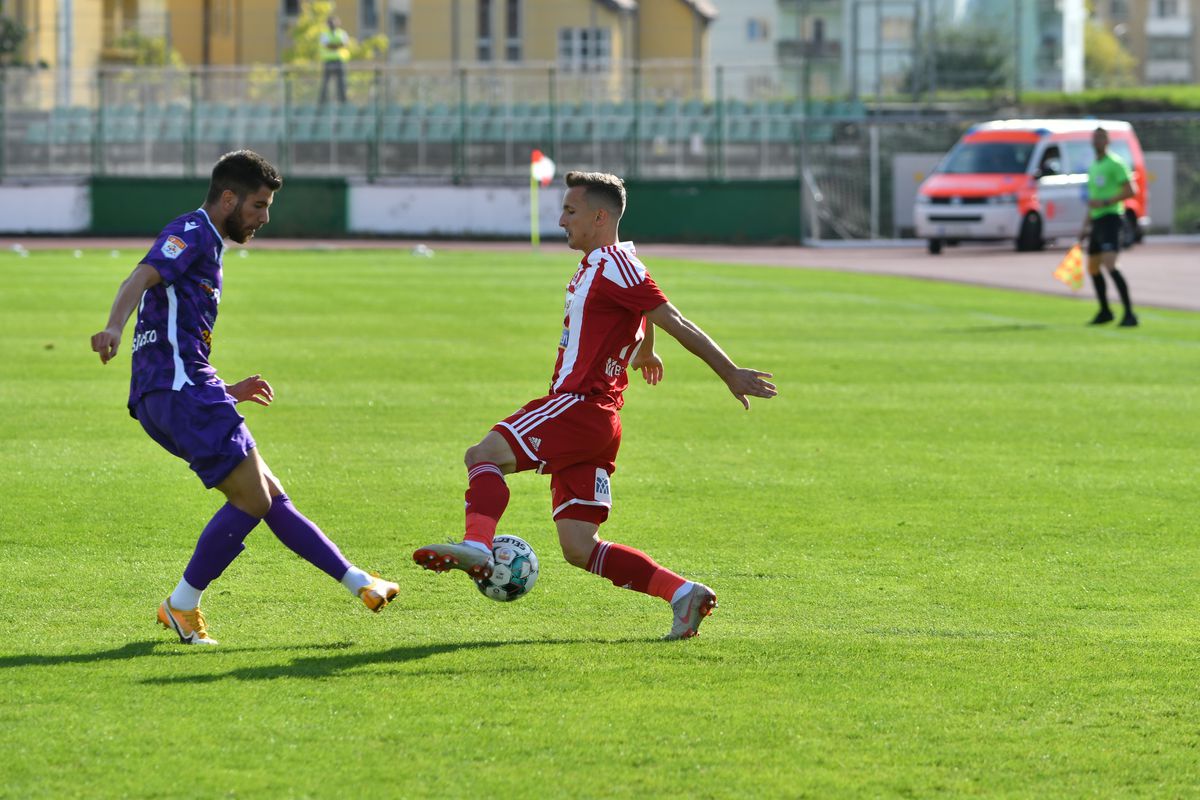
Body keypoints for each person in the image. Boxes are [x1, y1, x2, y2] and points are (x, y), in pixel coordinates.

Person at [412, 171, 777, 640]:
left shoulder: (613, 264)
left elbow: (672, 316)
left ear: (599, 217)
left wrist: (729, 372)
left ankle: (478, 546)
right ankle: (683, 594)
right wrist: (643, 348)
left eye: (570, 211)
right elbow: (637, 313)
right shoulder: (605, 264)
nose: (561, 221)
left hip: (577, 406)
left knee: (482, 456)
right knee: (579, 547)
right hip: (597, 422)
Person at [90, 150, 398, 646]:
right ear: (228, 198)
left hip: (180, 390)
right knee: (252, 498)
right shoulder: (191, 232)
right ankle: (181, 605)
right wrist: (112, 326)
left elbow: (176, 327)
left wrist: (226, 390)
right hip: (180, 389)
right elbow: (140, 277)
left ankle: (359, 581)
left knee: (269, 494)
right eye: (258, 205)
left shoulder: (208, 245)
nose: (264, 217)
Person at [1079, 127, 1138, 327]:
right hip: (1097, 221)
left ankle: (1130, 313)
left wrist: (1107, 202)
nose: (1097, 141)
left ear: (1108, 141)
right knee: (1093, 266)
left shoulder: (1115, 163)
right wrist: (1084, 227)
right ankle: (1105, 311)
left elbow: (1131, 190)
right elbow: (1092, 201)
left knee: (1110, 264)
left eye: (1101, 138)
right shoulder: (1094, 166)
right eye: (1095, 137)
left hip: (1111, 218)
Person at [318, 15, 350, 106]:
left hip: (340, 61)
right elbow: (327, 45)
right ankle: (323, 102)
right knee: (325, 83)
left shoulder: (342, 33)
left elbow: (345, 44)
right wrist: (337, 45)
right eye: (330, 22)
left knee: (342, 83)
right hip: (328, 61)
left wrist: (333, 45)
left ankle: (343, 102)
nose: (332, 24)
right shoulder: (324, 34)